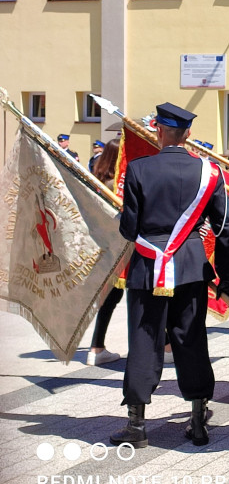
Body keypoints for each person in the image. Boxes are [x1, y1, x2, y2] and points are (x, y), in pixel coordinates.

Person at [111, 103, 229, 448]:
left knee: (143, 341)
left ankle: (136, 426)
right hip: (189, 267)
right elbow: (225, 230)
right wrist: (227, 279)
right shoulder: (210, 172)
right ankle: (198, 420)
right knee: (191, 339)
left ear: (159, 131)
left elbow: (128, 228)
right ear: (189, 135)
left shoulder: (138, 169)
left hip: (148, 268)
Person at [86, 139, 123, 366]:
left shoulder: (97, 180)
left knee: (110, 298)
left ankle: (96, 347)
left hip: (104, 245)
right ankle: (166, 345)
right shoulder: (114, 184)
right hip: (120, 246)